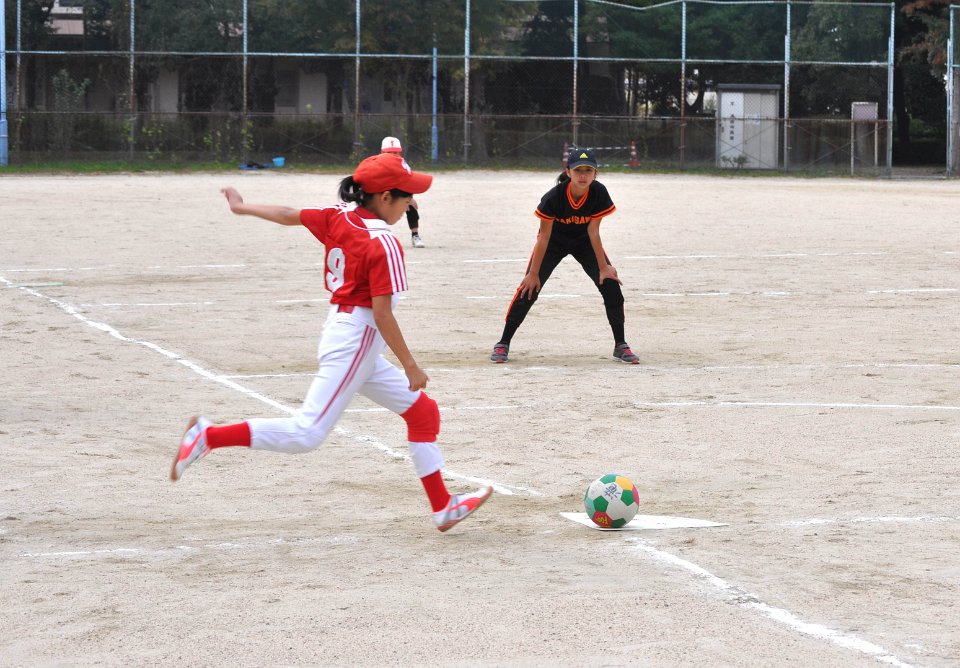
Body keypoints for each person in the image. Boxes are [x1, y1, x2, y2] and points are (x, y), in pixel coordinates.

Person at [171, 152, 492, 532]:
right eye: (406, 196)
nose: (411, 203)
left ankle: (443, 507)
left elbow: (288, 214)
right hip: (357, 339)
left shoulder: (340, 215)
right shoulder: (383, 242)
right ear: (384, 197)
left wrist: (242, 207)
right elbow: (383, 314)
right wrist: (410, 365)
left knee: (422, 413)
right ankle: (207, 435)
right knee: (306, 434)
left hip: (348, 334)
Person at [489, 147, 639, 365]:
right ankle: (503, 342)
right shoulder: (554, 198)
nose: (583, 176)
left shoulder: (599, 192)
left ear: (595, 174)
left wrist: (604, 268)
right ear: (568, 172)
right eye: (578, 170)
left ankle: (620, 344)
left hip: (584, 243)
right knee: (529, 288)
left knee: (610, 285)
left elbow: (593, 231)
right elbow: (543, 237)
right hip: (553, 243)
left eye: (588, 171)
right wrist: (533, 273)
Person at [381, 136, 425, 248]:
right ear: (382, 152)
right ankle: (377, 236)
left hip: (396, 192)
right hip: (380, 193)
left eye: (396, 152)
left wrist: (409, 198)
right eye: (389, 152)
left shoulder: (403, 164)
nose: (393, 155)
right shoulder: (377, 164)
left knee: (411, 206)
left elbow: (407, 182)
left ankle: (415, 235)